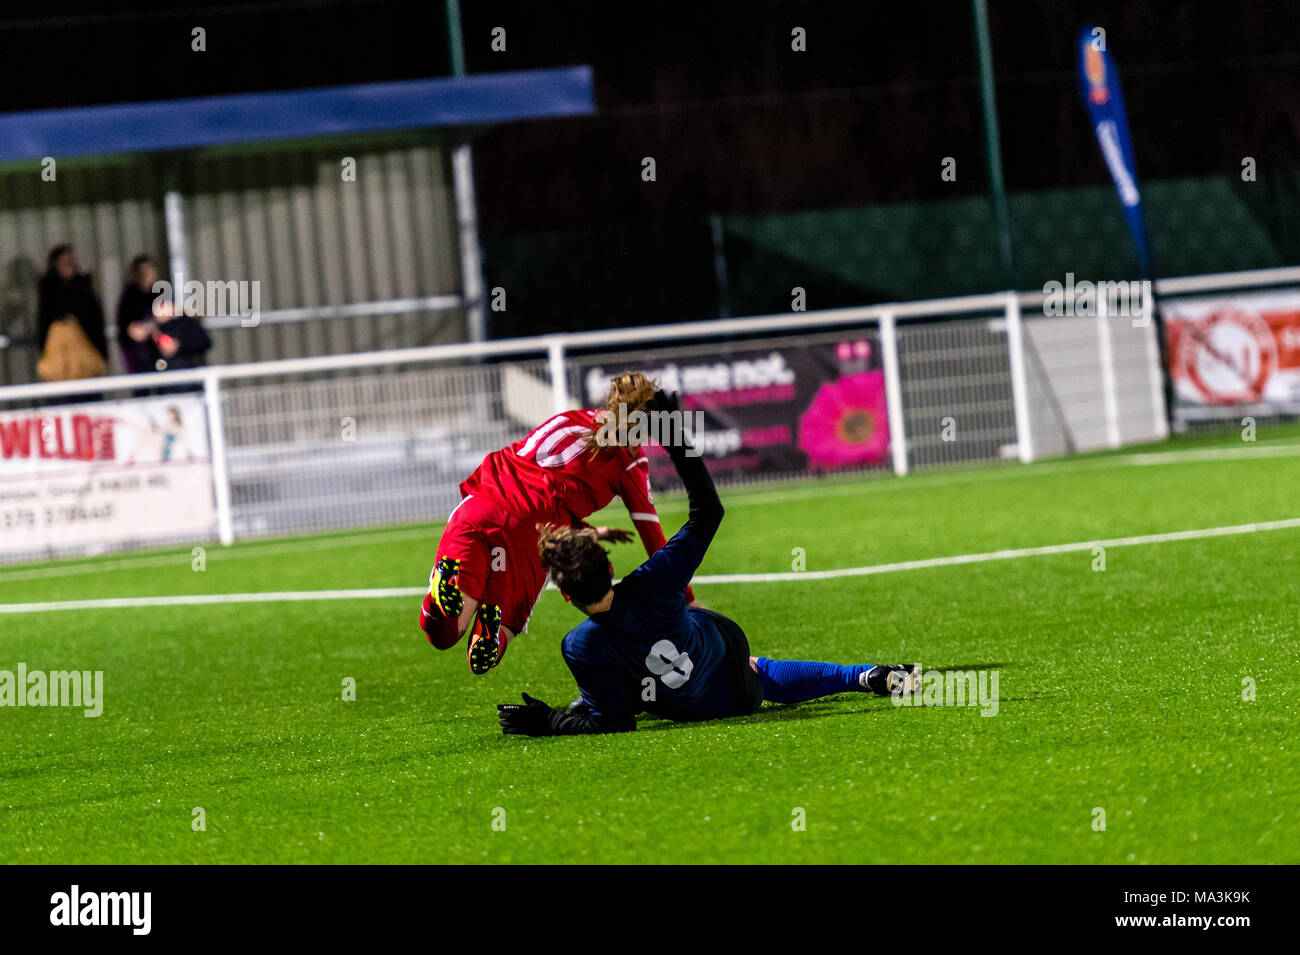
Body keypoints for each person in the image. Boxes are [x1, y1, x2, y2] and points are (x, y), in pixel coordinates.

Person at [497, 388, 920, 736]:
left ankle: (605, 692)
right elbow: (707, 511)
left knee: (619, 682)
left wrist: (552, 722)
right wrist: (673, 433)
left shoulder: (579, 645)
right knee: (755, 668)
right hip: (731, 672)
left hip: (693, 708)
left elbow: (615, 722)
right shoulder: (655, 580)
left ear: (566, 595)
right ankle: (860, 676)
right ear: (610, 568)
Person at [420, 371, 693, 675]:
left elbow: (544, 483)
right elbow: (656, 542)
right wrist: (690, 603)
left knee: (446, 634)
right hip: (529, 535)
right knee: (500, 631)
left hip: (482, 504)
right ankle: (493, 635)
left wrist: (592, 531)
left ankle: (439, 595)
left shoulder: (569, 418)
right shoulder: (630, 459)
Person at [36, 245, 107, 390]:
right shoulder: (49, 293)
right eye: (64, 262)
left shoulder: (85, 290)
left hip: (86, 365)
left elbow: (96, 323)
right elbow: (43, 326)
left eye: (71, 261)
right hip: (58, 368)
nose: (69, 265)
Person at [116, 254, 162, 377]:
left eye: (150, 270)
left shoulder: (160, 291)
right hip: (136, 351)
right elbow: (127, 327)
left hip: (158, 348)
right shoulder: (130, 296)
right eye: (144, 271)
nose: (148, 274)